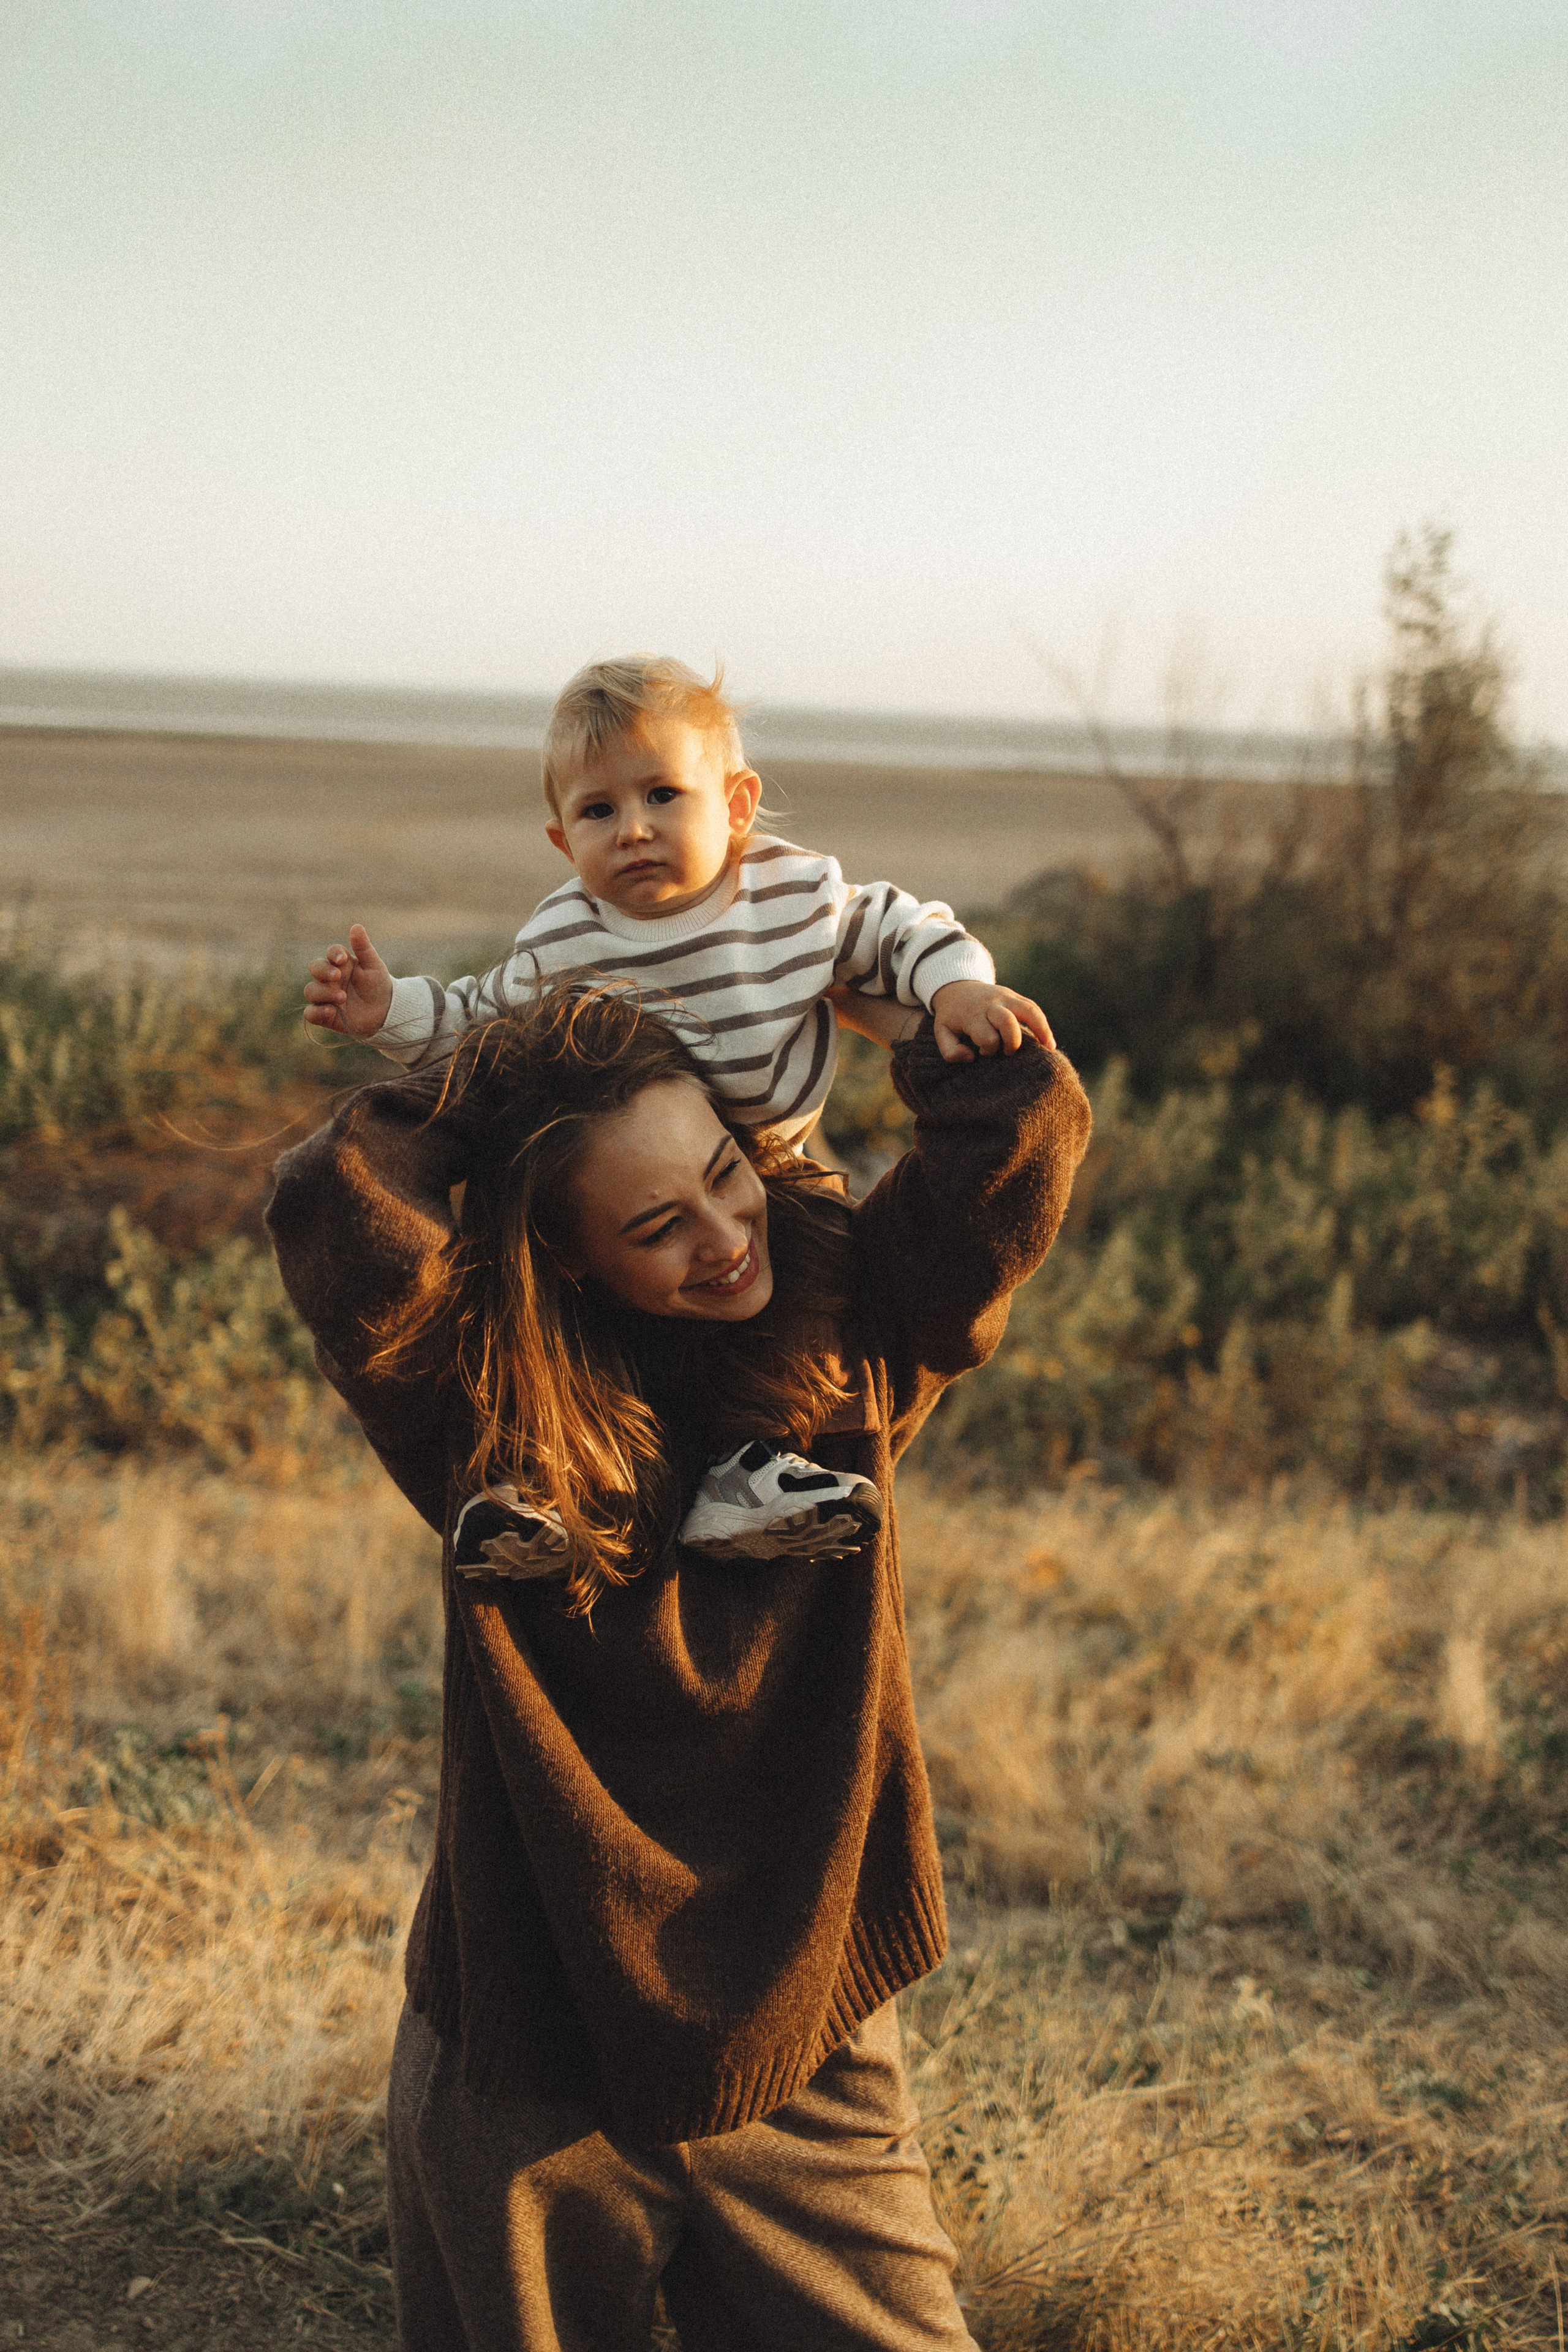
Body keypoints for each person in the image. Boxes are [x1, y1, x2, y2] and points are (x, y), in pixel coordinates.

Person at [266, 978, 1091, 2352]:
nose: (723, 1238)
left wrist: (918, 1013)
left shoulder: (852, 1329)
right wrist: (496, 1069)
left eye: (724, 1172)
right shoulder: (480, 1407)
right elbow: (342, 1204)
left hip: (804, 2037)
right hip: (527, 2067)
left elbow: (1012, 1147)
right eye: (657, 1223)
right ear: (567, 1257)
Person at [300, 657, 1052, 1575]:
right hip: (620, 1181)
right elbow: (483, 1021)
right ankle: (545, 1493)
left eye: (664, 794)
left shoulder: (791, 897)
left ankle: (759, 1467)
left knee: (809, 1294)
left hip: (773, 1165)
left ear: (736, 805)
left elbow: (900, 932)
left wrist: (957, 991)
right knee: (571, 1326)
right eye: (599, 811)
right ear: (560, 840)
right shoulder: (565, 935)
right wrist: (392, 1014)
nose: (636, 829)